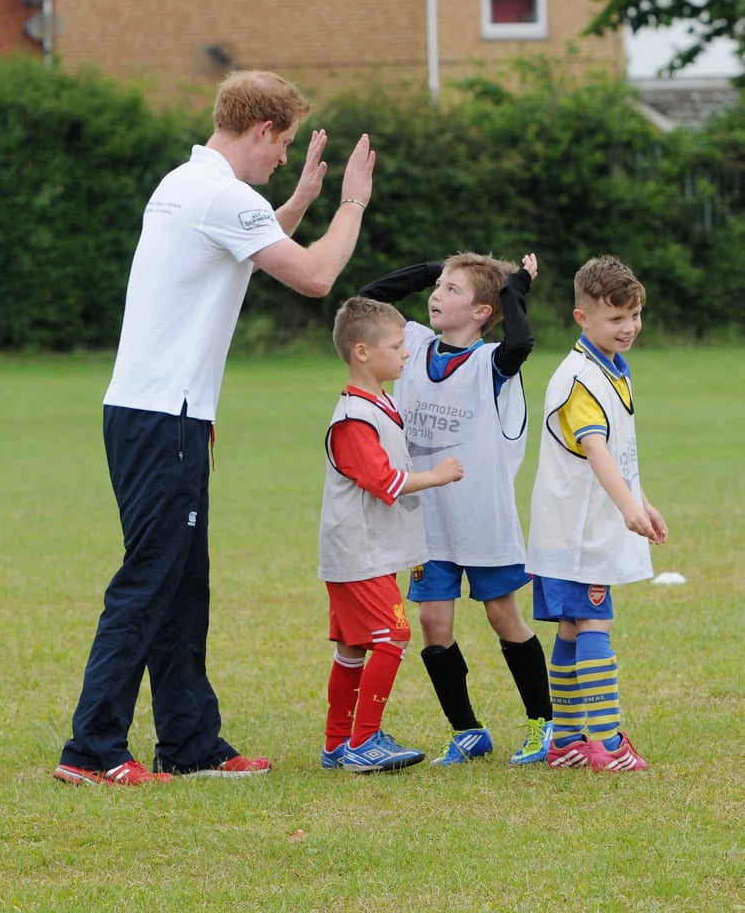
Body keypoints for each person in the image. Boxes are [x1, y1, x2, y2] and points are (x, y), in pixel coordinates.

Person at [54, 69, 375, 786]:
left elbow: (252, 245)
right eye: (283, 145)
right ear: (261, 131)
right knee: (149, 580)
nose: (284, 158)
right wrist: (352, 202)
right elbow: (316, 275)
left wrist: (296, 204)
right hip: (161, 417)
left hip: (160, 415)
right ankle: (91, 749)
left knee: (181, 582)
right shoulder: (222, 197)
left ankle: (191, 741)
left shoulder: (186, 185)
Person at [359, 252, 553, 766]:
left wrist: (514, 289)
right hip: (427, 514)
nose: (436, 296)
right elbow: (369, 300)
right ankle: (468, 731)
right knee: (432, 626)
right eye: (436, 288)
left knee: (501, 616)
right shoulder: (417, 342)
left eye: (451, 291)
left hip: (481, 515)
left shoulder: (491, 361)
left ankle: (543, 724)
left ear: (483, 312)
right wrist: (432, 269)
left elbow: (521, 343)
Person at [527, 255, 668, 771]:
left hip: (573, 529)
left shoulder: (610, 368)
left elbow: (622, 449)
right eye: (616, 318)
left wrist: (642, 499)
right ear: (582, 319)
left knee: (570, 627)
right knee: (594, 623)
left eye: (634, 315)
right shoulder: (580, 378)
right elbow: (596, 450)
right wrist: (628, 507)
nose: (628, 327)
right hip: (578, 530)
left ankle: (565, 740)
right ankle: (606, 744)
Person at [319, 296, 464, 772]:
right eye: (398, 346)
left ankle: (337, 744)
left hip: (368, 552)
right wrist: (438, 475)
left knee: (351, 647)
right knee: (394, 633)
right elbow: (386, 483)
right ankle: (363, 742)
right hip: (360, 554)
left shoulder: (378, 402)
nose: (406, 353)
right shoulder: (353, 419)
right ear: (363, 352)